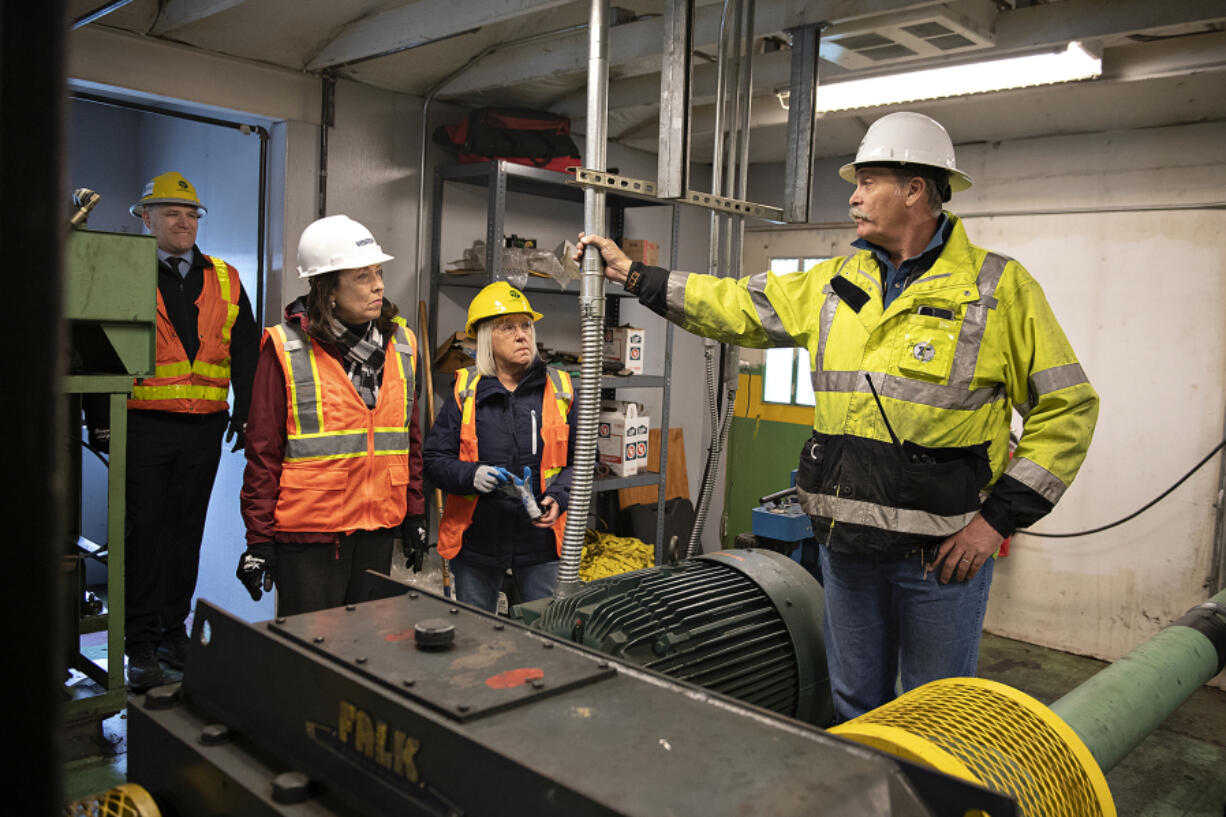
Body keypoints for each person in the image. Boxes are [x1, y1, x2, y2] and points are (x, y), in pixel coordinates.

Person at [576, 111, 1099, 721]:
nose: (852, 195)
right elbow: (735, 304)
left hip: (940, 559)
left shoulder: (997, 289)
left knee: (936, 717)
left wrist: (994, 523)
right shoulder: (831, 284)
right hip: (845, 550)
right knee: (853, 705)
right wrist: (637, 276)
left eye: (868, 179)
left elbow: (1069, 409)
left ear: (914, 189)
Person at [92, 171, 259, 692]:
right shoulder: (124, 272)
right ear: (147, 219)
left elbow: (247, 351)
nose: (183, 222)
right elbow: (97, 346)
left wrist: (247, 410)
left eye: (190, 215)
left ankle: (170, 632)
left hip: (203, 428)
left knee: (186, 532)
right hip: (141, 424)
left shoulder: (226, 278)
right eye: (170, 213)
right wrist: (100, 421)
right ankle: (137, 644)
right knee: (143, 535)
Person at [236, 215, 426, 617]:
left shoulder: (403, 345)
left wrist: (414, 513)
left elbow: (409, 442)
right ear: (329, 290)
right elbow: (263, 451)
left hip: (378, 529)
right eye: (362, 276)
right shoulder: (284, 347)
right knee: (312, 656)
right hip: (310, 538)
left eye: (378, 272)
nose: (378, 285)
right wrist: (258, 541)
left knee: (369, 652)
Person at [423, 282, 577, 612]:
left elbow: (581, 462)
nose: (522, 335)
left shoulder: (561, 389)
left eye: (526, 325)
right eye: (507, 327)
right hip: (478, 541)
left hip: (542, 544)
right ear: (485, 338)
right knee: (475, 642)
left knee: (542, 640)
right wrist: (471, 475)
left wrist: (559, 497)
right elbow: (434, 460)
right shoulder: (465, 390)